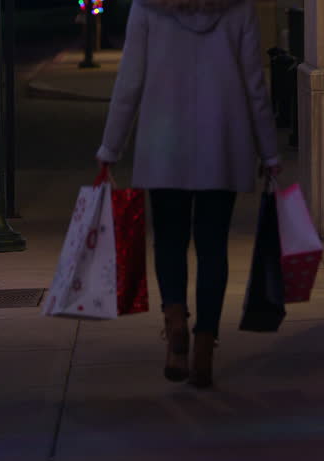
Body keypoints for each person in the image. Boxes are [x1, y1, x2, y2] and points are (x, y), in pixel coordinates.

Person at [96, 0, 281, 388]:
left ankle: (175, 323)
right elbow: (254, 84)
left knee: (169, 241)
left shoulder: (148, 7)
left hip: (164, 145)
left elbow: (130, 80)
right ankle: (203, 344)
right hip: (222, 144)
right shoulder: (238, 8)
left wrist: (110, 149)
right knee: (213, 245)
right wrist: (269, 150)